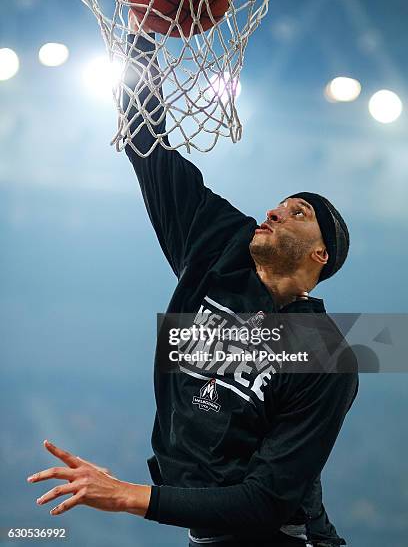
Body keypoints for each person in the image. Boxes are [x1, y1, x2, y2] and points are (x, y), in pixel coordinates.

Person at [27, 31, 358, 547]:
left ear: (322, 256)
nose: (275, 211)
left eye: (299, 213)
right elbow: (148, 148)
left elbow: (265, 500)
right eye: (279, 203)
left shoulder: (326, 353)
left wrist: (127, 495)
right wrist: (140, 35)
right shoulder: (220, 245)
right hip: (209, 535)